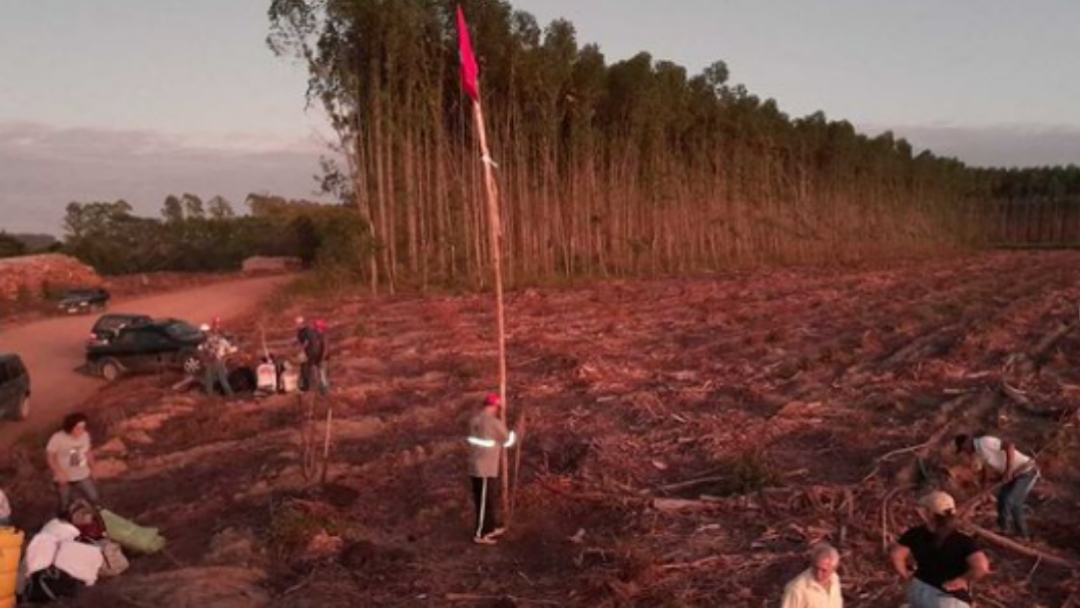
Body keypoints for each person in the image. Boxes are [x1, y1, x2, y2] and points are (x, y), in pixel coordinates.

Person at [891, 491, 990, 608]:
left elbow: (896, 555)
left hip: (918, 590)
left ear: (930, 513)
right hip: (946, 598)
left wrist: (906, 575)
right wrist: (962, 580)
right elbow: (982, 567)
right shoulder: (963, 540)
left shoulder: (914, 533)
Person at [955, 433, 1039, 539]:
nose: (965, 452)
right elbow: (984, 472)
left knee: (1011, 500)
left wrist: (1009, 469)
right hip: (1012, 475)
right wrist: (984, 491)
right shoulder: (978, 454)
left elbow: (1009, 446)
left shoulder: (984, 442)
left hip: (1026, 470)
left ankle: (1012, 532)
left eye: (963, 449)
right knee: (1003, 500)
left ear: (967, 442)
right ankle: (1014, 532)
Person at [467, 394, 518, 545]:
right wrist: (515, 432)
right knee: (484, 502)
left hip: (476, 465)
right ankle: (481, 534)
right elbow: (508, 441)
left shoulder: (475, 419)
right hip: (486, 467)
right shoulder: (493, 423)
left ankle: (490, 527)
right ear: (495, 407)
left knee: (486, 500)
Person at [46, 413, 102, 516]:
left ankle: (99, 517)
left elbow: (87, 451)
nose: (81, 430)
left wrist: (93, 468)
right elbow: (50, 457)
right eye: (78, 428)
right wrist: (58, 473)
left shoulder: (85, 435)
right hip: (65, 477)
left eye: (83, 427)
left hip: (82, 474)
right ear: (70, 427)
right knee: (64, 501)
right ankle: (64, 519)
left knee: (94, 497)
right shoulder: (58, 438)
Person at [781, 543, 843, 608]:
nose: (818, 574)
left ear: (834, 568)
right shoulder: (796, 589)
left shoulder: (835, 579)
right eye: (816, 568)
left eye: (824, 570)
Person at [200, 322, 234, 397]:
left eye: (202, 332)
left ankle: (210, 395)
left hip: (213, 360)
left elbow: (209, 351)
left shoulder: (208, 339)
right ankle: (230, 394)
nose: (202, 333)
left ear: (205, 331)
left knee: (208, 378)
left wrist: (206, 358)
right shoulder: (215, 337)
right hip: (219, 360)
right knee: (222, 379)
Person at [295, 316, 327, 396]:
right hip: (313, 353)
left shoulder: (308, 331)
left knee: (310, 369)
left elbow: (308, 342)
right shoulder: (314, 333)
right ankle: (317, 387)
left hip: (312, 354)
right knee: (311, 369)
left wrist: (302, 349)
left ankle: (314, 387)